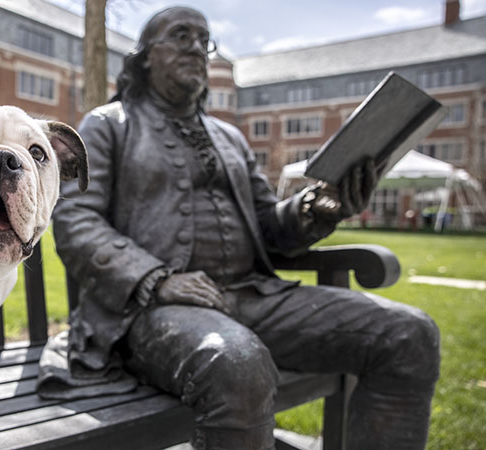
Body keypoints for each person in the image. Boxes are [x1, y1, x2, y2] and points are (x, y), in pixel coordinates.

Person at [39, 6, 440, 450]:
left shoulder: (231, 138)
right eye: (181, 35)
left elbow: (270, 228)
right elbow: (76, 219)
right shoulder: (107, 125)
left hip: (253, 297)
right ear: (145, 56)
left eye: (204, 39)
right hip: (151, 312)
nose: (196, 47)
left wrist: (319, 208)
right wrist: (158, 279)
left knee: (408, 333)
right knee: (236, 362)